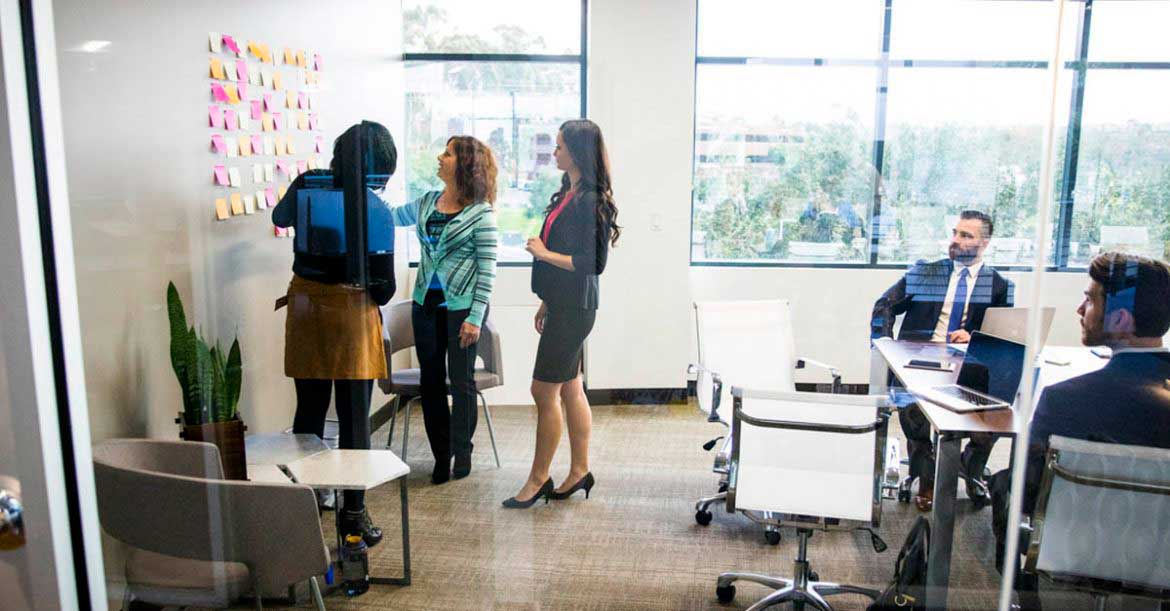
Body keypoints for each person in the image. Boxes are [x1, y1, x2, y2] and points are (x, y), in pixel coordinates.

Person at [991, 252, 1170, 609]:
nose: (1079, 309)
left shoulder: (1064, 400)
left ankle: (1025, 598)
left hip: (1074, 558)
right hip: (1159, 564)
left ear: (1120, 318)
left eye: (1089, 299)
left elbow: (1027, 494)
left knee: (1002, 483)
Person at [272, 121, 398, 546]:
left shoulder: (310, 182)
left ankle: (301, 510)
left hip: (306, 308)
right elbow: (384, 289)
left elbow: (280, 216)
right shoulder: (374, 209)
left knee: (308, 413)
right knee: (353, 420)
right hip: (350, 313)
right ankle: (353, 516)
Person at [503, 119, 621, 508]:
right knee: (570, 386)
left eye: (558, 147)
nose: (553, 153)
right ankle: (579, 470)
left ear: (576, 151)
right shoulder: (570, 194)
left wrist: (543, 254)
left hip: (577, 308)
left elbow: (593, 263)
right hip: (564, 303)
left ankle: (539, 478)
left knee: (543, 389)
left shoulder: (591, 200)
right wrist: (546, 300)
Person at [871, 210, 1014, 511]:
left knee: (993, 424)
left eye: (966, 235)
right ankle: (927, 478)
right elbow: (884, 305)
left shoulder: (998, 285)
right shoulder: (927, 272)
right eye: (955, 233)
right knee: (915, 416)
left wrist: (974, 336)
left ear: (985, 243)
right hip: (919, 361)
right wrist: (885, 345)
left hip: (968, 368)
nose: (956, 240)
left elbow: (1002, 336)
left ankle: (967, 469)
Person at [386, 136, 499, 485]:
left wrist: (476, 318)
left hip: (462, 310)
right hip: (426, 306)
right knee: (431, 382)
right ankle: (440, 454)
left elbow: (488, 269)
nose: (440, 156)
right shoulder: (426, 203)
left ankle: (462, 450)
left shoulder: (481, 213)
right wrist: (363, 196)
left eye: (447, 153)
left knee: (461, 382)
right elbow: (389, 218)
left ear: (463, 163)